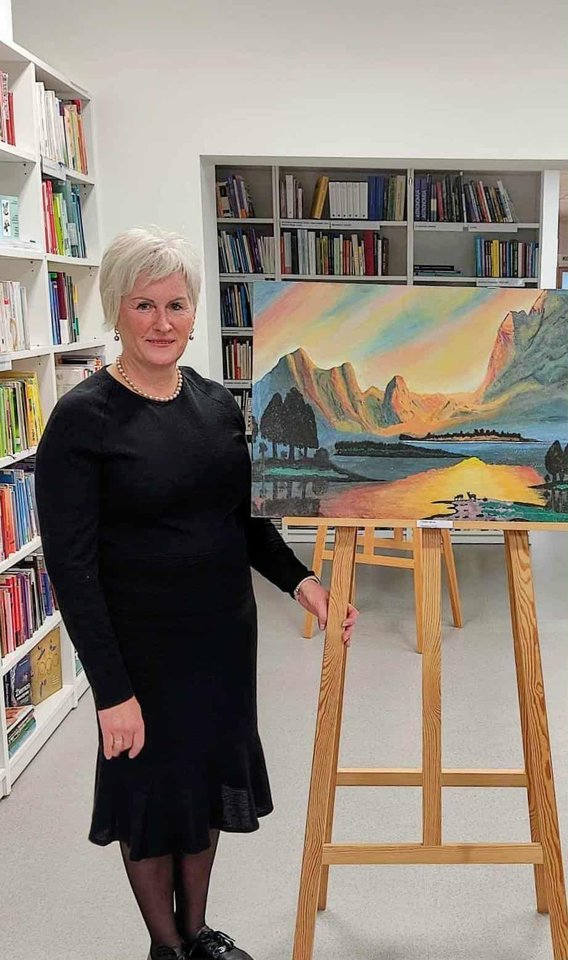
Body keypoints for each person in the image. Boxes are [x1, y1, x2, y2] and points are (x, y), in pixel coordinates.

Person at [34, 227, 358, 960]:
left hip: (221, 642)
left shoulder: (216, 406)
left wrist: (303, 582)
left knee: (206, 785)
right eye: (143, 305)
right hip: (140, 652)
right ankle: (167, 947)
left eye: (176, 305)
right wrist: (112, 691)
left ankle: (195, 932)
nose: (162, 322)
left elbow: (245, 522)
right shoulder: (82, 420)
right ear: (117, 310)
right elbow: (72, 569)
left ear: (193, 312)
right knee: (150, 798)